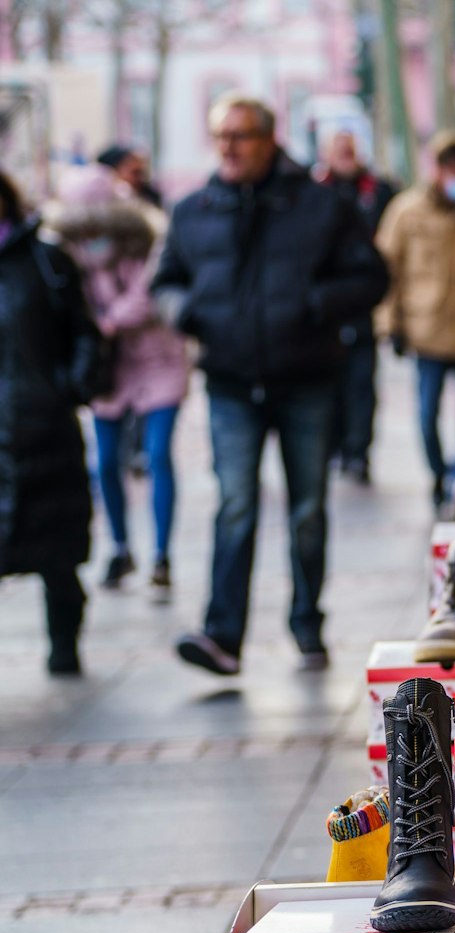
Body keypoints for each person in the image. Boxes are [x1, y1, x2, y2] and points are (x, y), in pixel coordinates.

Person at [152, 93, 389, 675]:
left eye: (241, 136)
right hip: (231, 381)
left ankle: (308, 624)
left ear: (269, 138)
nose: (229, 148)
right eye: (221, 136)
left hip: (306, 378)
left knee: (306, 508)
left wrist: (316, 303)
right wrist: (186, 312)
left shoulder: (320, 205)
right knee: (235, 505)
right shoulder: (193, 210)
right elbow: (166, 281)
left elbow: (371, 276)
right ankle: (222, 636)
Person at [45, 163, 189, 598]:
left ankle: (161, 553)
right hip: (108, 369)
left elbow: (149, 293)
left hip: (158, 361)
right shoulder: (66, 255)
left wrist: (106, 323)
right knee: (106, 461)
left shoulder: (144, 240)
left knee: (158, 453)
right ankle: (120, 546)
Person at [0, 169, 111, 675]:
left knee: (56, 551)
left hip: (42, 425)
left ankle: (64, 644)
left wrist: (70, 385)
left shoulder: (45, 260)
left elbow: (84, 332)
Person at [376, 132, 455, 511]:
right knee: (427, 415)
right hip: (427, 331)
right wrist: (388, 322)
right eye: (452, 167)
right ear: (438, 169)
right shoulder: (407, 211)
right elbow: (386, 269)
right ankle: (439, 474)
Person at [314, 130, 399, 483]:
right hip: (326, 313)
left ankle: (357, 450)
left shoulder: (378, 191)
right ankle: (335, 446)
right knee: (329, 386)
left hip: (362, 307)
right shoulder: (315, 194)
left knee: (362, 385)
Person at [96, 144, 163, 208]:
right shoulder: (105, 200)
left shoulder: (150, 196)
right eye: (135, 172)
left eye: (143, 172)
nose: (141, 178)